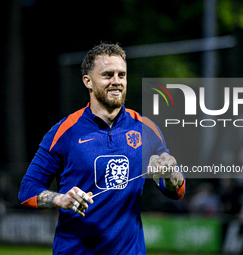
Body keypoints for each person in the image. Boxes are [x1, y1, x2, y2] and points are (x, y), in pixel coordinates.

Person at [18, 42, 186, 255]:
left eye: (121, 75)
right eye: (108, 75)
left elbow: (177, 191)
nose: (117, 82)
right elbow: (27, 189)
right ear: (88, 81)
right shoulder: (64, 132)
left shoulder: (147, 129)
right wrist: (60, 199)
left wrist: (172, 176)